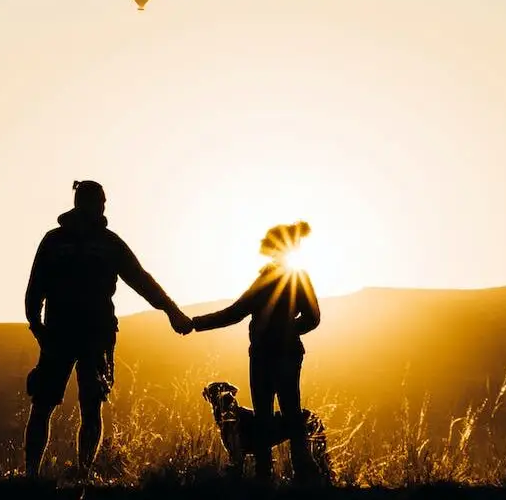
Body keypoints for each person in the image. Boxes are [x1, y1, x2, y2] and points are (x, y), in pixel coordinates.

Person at [23, 180, 193, 481]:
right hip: (65, 335)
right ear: (86, 203)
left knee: (87, 406)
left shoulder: (106, 243)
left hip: (92, 335)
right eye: (99, 202)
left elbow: (142, 281)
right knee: (49, 404)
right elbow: (35, 288)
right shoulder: (63, 241)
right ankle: (34, 476)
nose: (102, 207)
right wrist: (38, 328)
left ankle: (78, 475)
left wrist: (172, 310)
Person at [191, 220, 321, 483]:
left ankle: (267, 476)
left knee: (271, 414)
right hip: (281, 354)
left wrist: (196, 323)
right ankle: (303, 476)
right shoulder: (294, 277)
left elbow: (235, 313)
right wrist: (290, 330)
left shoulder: (273, 279)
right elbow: (312, 318)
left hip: (266, 355)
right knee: (289, 413)